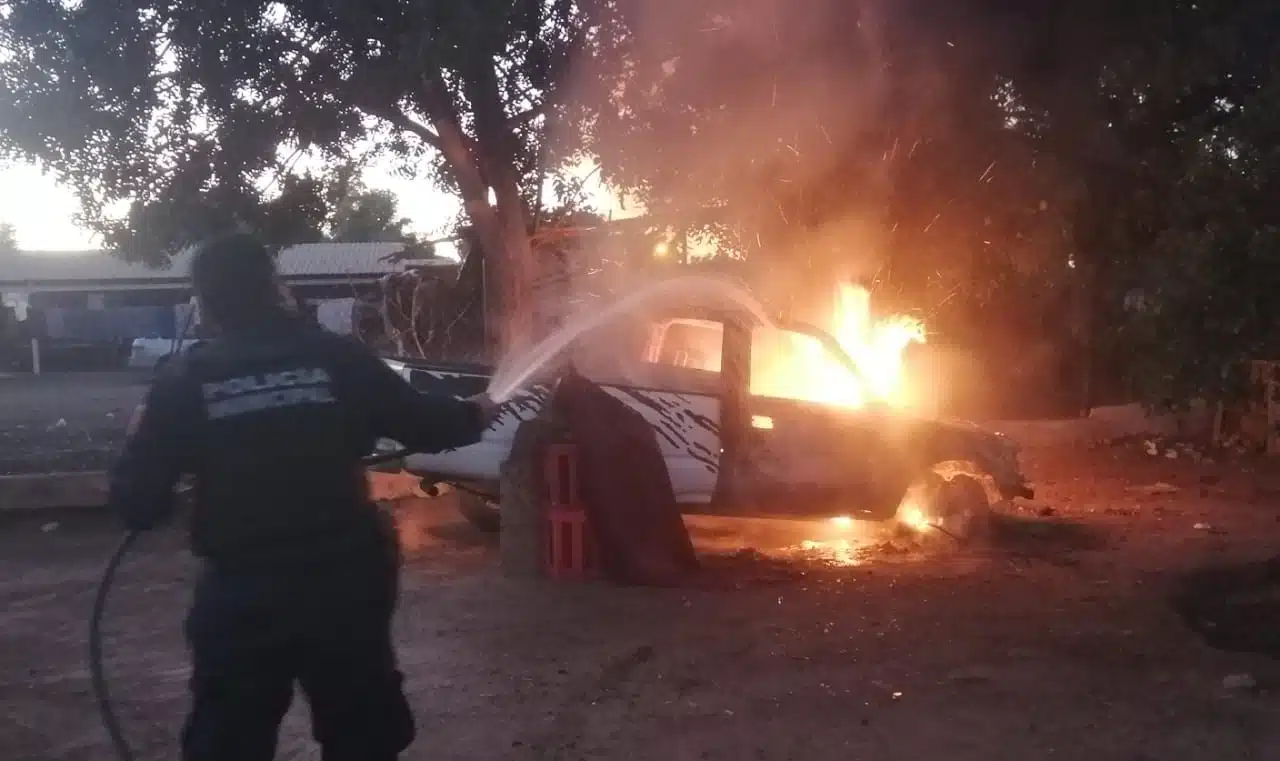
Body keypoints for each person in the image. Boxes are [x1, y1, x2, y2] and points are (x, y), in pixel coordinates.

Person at [106, 232, 496, 761]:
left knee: (228, 740)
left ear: (204, 301)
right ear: (275, 287)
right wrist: (474, 413)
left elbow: (138, 503)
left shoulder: (184, 380)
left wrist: (144, 445)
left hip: (243, 594)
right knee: (363, 734)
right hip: (345, 585)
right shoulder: (335, 357)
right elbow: (423, 422)